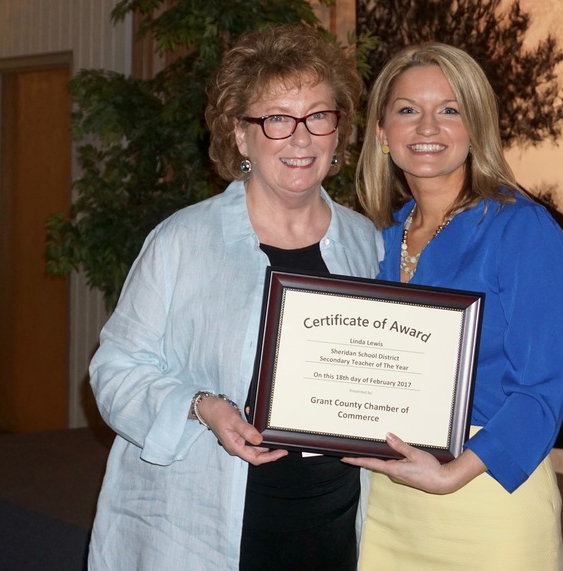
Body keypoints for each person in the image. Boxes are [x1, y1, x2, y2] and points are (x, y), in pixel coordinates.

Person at [86, 24, 383, 570]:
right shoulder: (182, 241)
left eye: (318, 116)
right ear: (241, 136)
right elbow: (115, 371)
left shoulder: (366, 243)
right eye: (276, 119)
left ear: (339, 131)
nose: (301, 138)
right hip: (204, 529)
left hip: (331, 528)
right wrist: (201, 407)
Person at [343, 42, 563, 569]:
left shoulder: (522, 230)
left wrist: (453, 473)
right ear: (381, 133)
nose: (428, 127)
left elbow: (541, 391)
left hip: (488, 496)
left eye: (449, 110)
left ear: (476, 128)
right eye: (408, 110)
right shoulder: (373, 239)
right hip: (382, 503)